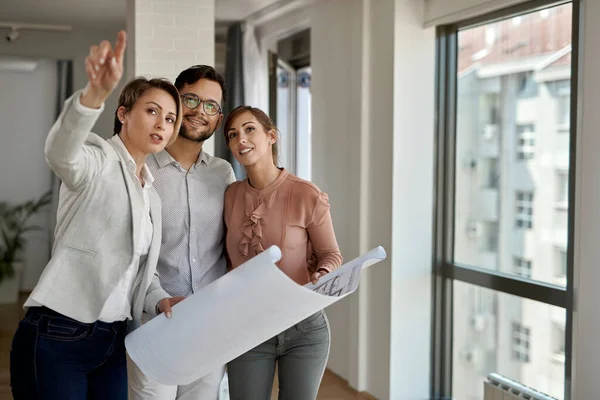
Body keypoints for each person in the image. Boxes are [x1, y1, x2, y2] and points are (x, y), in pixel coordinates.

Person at [9, 31, 184, 399]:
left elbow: (140, 271)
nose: (161, 125)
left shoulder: (151, 194)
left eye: (170, 119)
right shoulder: (97, 158)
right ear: (123, 113)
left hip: (113, 339)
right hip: (59, 332)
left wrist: (161, 298)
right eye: (152, 111)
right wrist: (93, 97)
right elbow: (61, 153)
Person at [127, 65, 235, 400]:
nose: (200, 112)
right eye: (191, 99)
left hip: (209, 327)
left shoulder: (223, 173)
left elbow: (234, 245)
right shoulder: (139, 169)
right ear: (175, 100)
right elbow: (133, 253)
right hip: (154, 324)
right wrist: (159, 301)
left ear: (218, 118)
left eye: (211, 106)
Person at [222, 106, 343, 400]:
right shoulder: (230, 195)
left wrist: (323, 275)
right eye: (233, 134)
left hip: (304, 328)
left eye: (250, 129)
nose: (241, 139)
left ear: (271, 136)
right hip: (248, 327)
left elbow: (331, 254)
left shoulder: (306, 194)